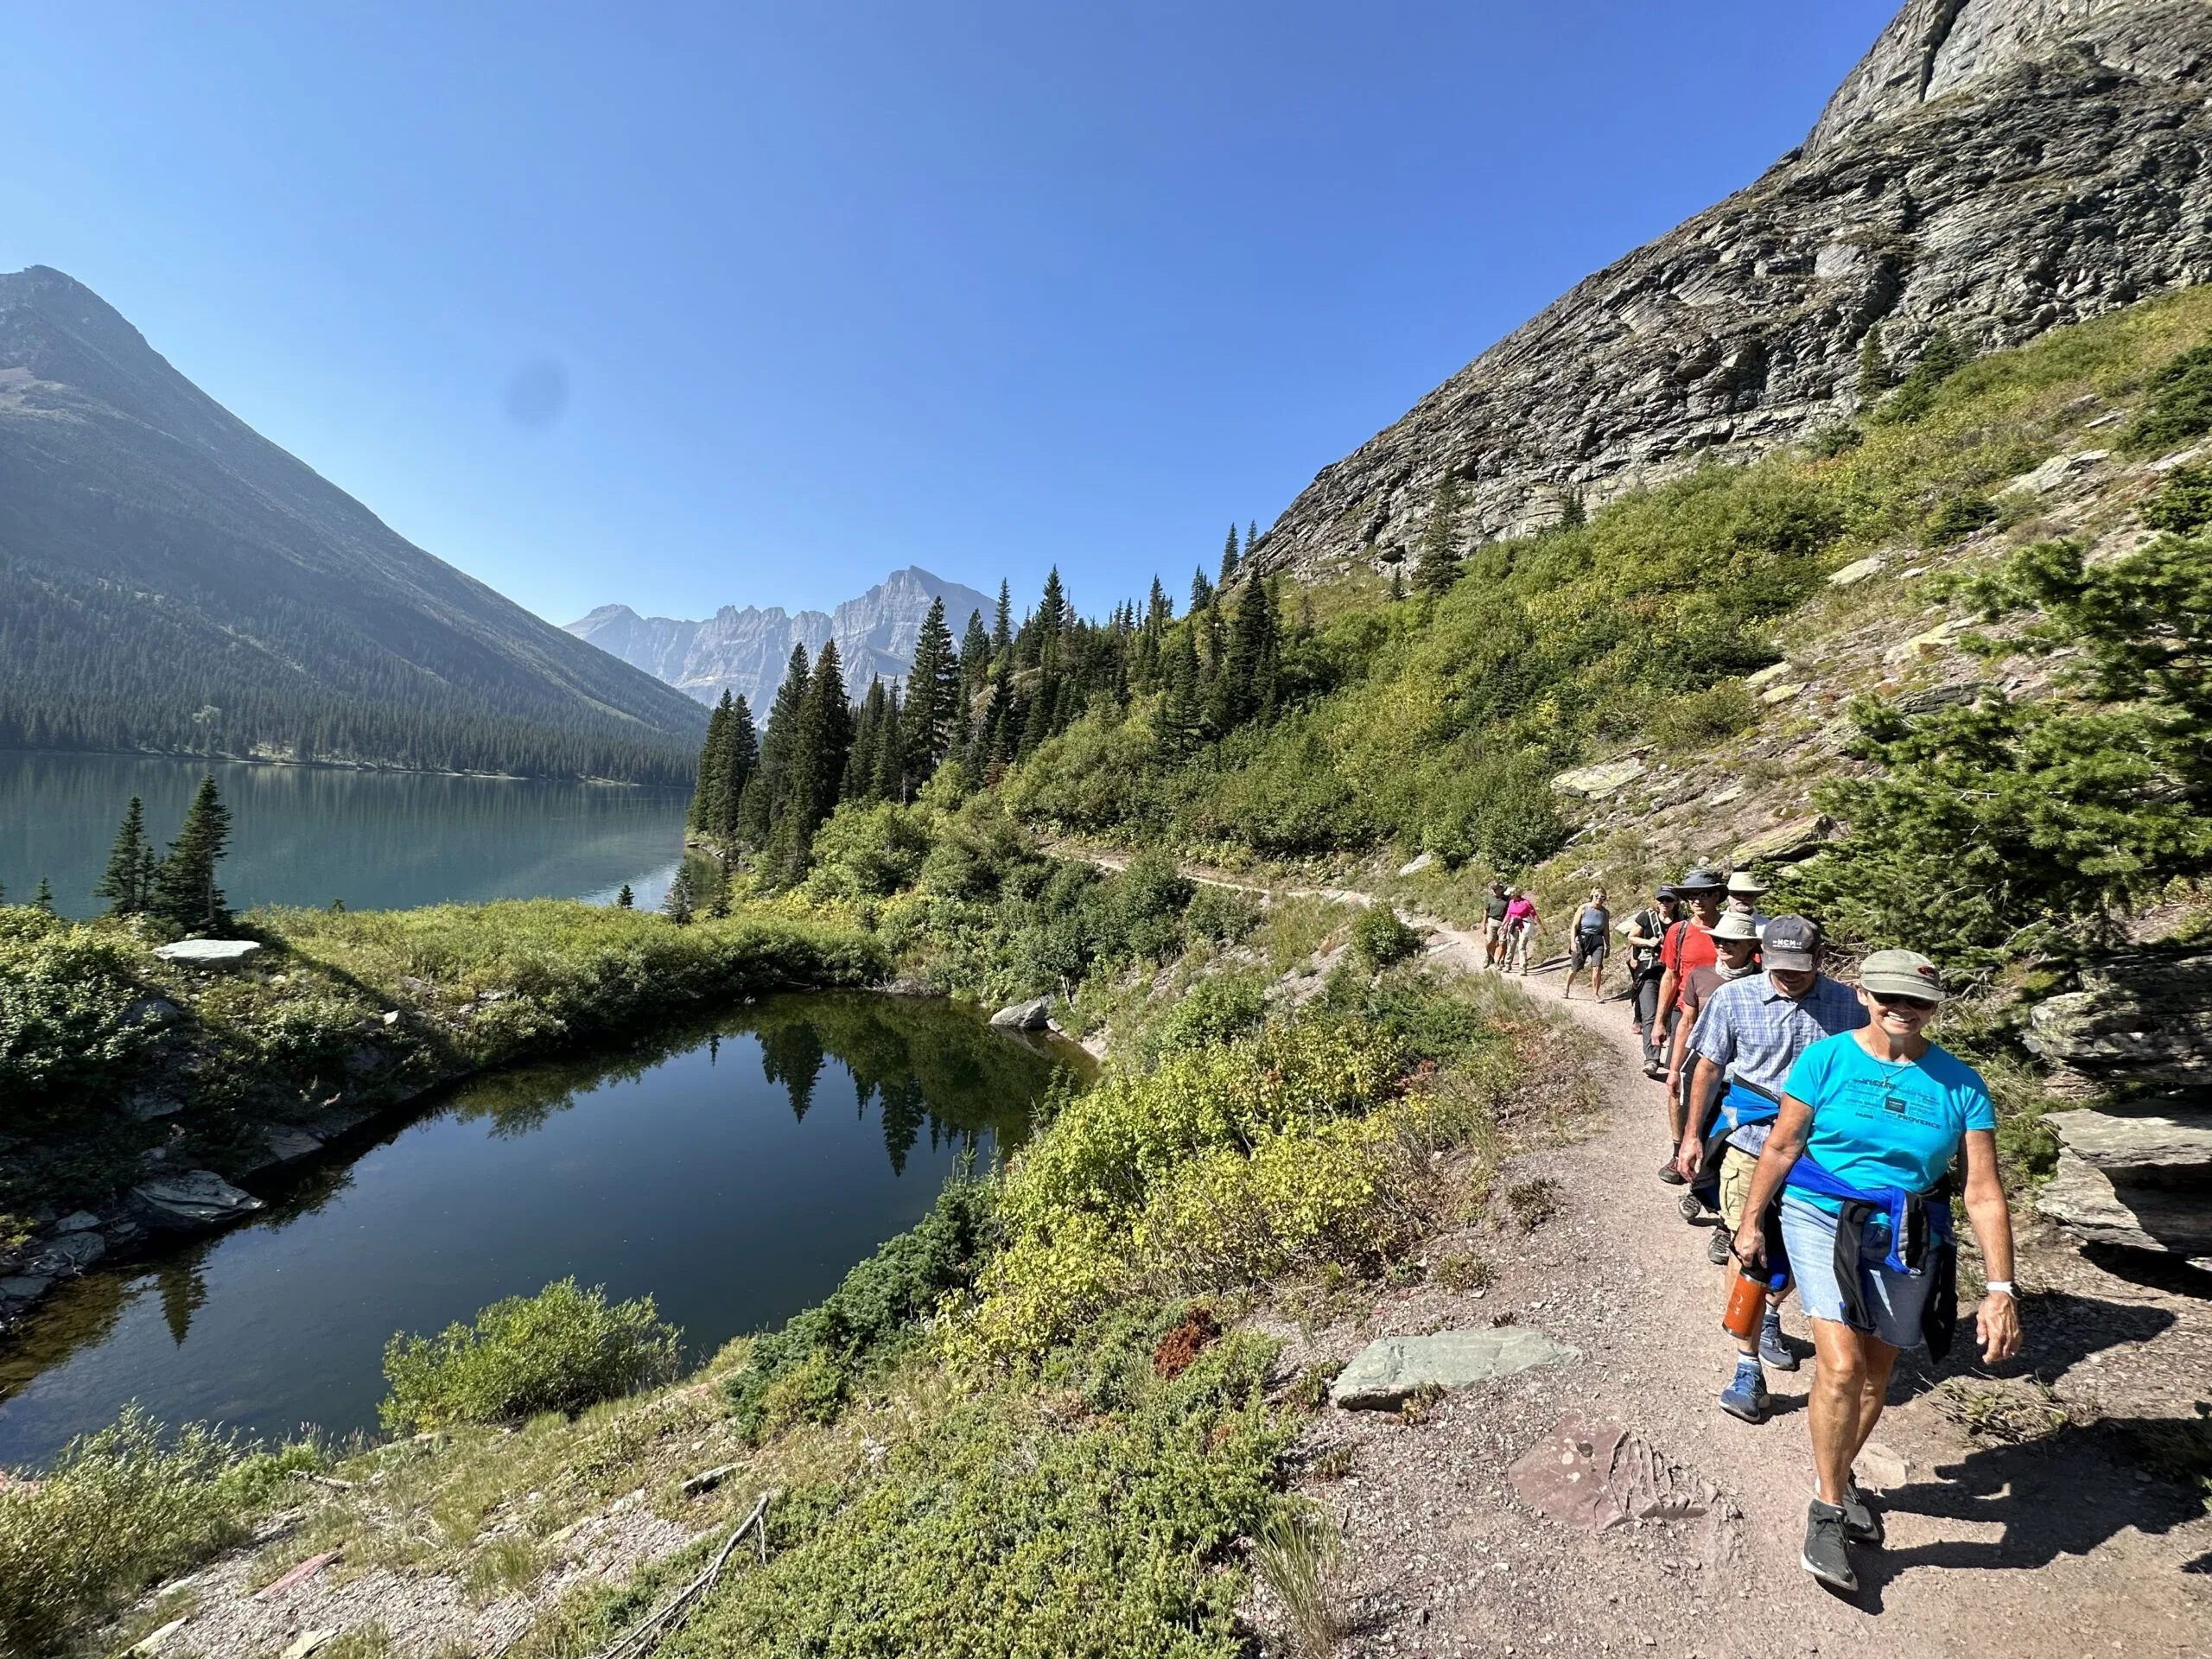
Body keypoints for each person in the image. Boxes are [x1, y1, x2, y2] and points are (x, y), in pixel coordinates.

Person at [1731, 949, 2021, 1593]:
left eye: (1917, 1001)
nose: (1903, 1010)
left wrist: (2000, 1289)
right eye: (1889, 996)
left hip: (1906, 1230)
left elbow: (1982, 1192)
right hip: (1819, 1212)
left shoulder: (1962, 1085)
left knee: (1878, 1372)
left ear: (1934, 1007)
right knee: (1840, 1363)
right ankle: (1828, 1509)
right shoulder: (1826, 1059)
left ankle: (1836, 1472)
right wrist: (1752, 1221)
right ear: (1862, 994)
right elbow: (1782, 1144)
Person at [1674, 916, 1866, 1424]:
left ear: (1820, 958)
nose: (1791, 977)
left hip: (1822, 1157)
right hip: (1752, 1145)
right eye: (1781, 968)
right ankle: (1746, 1363)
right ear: (1762, 956)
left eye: (1801, 968)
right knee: (1747, 1247)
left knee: (1810, 1254)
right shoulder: (1734, 1000)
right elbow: (1709, 1069)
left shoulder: (1850, 1005)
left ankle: (1774, 1313)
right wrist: (1692, 1135)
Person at [1665, 909, 1765, 1234]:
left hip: (1747, 1076)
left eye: (1732, 941)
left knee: (1734, 1144)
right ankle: (1700, 1190)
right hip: (1704, 1067)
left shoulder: (1766, 980)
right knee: (1703, 1134)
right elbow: (1686, 1024)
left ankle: (1727, 1221)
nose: (1723, 945)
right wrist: (1675, 1067)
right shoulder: (1701, 976)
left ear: (1751, 945)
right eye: (1719, 939)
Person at [1650, 868, 1726, 1180]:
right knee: (1676, 1082)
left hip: (1727, 1019)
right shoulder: (1678, 931)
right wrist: (1659, 1020)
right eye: (1692, 895)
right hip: (1687, 1015)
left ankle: (1713, 1153)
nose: (1697, 900)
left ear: (1717, 896)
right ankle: (1677, 1151)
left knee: (1719, 1086)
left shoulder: (1734, 930)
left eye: (1704, 893)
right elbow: (1670, 975)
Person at [1618, 884, 1680, 1077]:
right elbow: (1632, 937)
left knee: (1669, 1016)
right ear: (1656, 900)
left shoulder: (1682, 920)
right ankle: (1651, 1059)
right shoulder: (1646, 917)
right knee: (1650, 1015)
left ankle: (1673, 1060)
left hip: (1672, 972)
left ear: (1675, 901)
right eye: (1661, 899)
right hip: (1649, 972)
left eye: (1668, 899)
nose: (1664, 903)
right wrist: (1648, 942)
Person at [1564, 887, 1610, 1001]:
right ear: (1592, 896)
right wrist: (1573, 942)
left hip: (1597, 940)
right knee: (1575, 967)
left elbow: (1606, 930)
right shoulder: (1584, 908)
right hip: (1582, 939)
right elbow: (1574, 926)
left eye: (1602, 897)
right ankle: (1566, 987)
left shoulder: (1605, 912)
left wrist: (1608, 945)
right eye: (1597, 896)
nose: (1599, 899)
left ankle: (1595, 994)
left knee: (1597, 967)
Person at [1503, 887, 1538, 975]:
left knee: (1521, 947)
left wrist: (1541, 926)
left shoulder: (1526, 903)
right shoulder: (1511, 902)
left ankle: (1523, 968)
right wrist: (1504, 924)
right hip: (1514, 925)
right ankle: (1507, 964)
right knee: (1511, 945)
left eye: (1511, 895)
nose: (1509, 897)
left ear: (1514, 894)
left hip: (1524, 925)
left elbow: (1534, 914)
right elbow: (1509, 914)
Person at [1481, 881, 1511, 969]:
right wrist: (1483, 923)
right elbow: (1486, 911)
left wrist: (1507, 923)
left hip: (1503, 922)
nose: (1494, 890)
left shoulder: (1507, 899)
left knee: (1502, 942)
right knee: (1490, 941)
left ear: (1501, 890)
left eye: (1496, 889)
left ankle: (1499, 960)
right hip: (1492, 920)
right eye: (1494, 889)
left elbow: (1510, 911)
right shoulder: (1489, 898)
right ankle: (1489, 956)